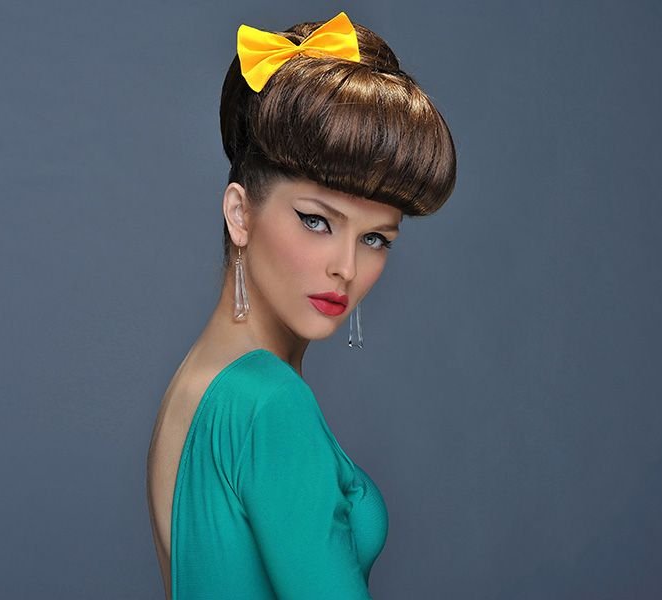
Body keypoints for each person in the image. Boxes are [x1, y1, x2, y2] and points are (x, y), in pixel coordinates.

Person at [145, 11, 456, 599]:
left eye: (375, 238)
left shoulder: (201, 380)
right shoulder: (269, 402)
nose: (346, 267)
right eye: (316, 221)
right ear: (240, 213)